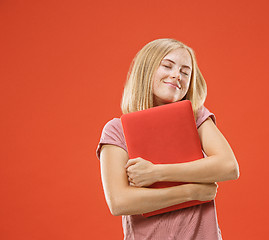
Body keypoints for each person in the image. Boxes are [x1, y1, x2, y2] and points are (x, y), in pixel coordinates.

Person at [96, 38, 240, 239]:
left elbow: (228, 166)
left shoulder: (196, 117)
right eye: (167, 66)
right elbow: (119, 201)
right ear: (146, 70)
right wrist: (191, 193)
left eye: (185, 72)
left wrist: (157, 173)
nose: (176, 75)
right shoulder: (116, 130)